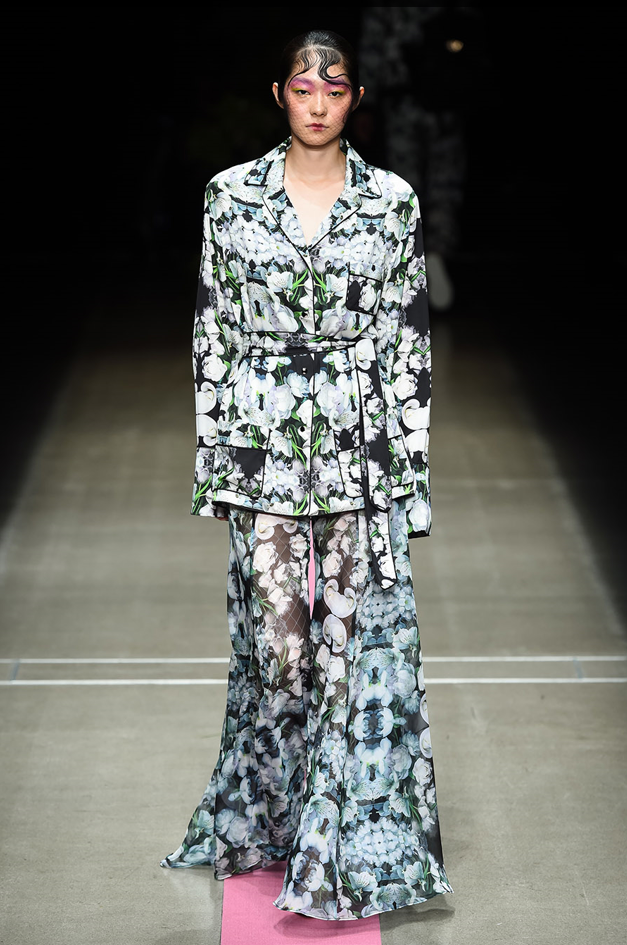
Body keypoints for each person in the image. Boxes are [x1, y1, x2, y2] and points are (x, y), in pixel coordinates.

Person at [160, 28, 454, 921]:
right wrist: (215, 464)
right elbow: (213, 331)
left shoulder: (391, 201)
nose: (318, 102)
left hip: (361, 453)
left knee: (348, 657)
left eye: (334, 88)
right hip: (263, 453)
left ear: (355, 97)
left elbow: (408, 344)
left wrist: (411, 480)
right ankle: (273, 815)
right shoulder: (229, 197)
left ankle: (335, 846)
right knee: (280, 654)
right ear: (279, 94)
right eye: (302, 87)